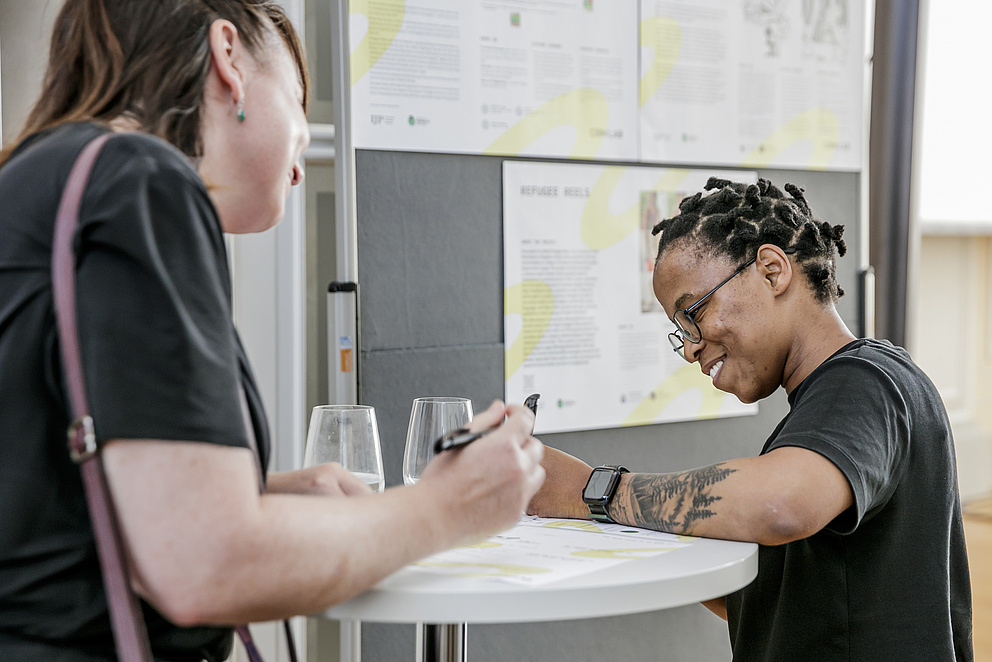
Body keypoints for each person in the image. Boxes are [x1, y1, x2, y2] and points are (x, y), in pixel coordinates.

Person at [0, 1, 544, 660]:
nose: (303, 150)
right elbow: (203, 568)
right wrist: (450, 505)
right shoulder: (141, 181)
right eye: (295, 95)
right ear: (227, 56)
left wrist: (260, 495)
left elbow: (43, 497)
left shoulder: (36, 183)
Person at [528, 177, 973, 661]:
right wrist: (608, 521)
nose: (692, 346)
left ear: (771, 270)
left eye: (693, 311)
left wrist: (593, 490)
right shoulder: (828, 404)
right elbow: (774, 598)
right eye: (681, 331)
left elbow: (782, 505)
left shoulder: (865, 382)